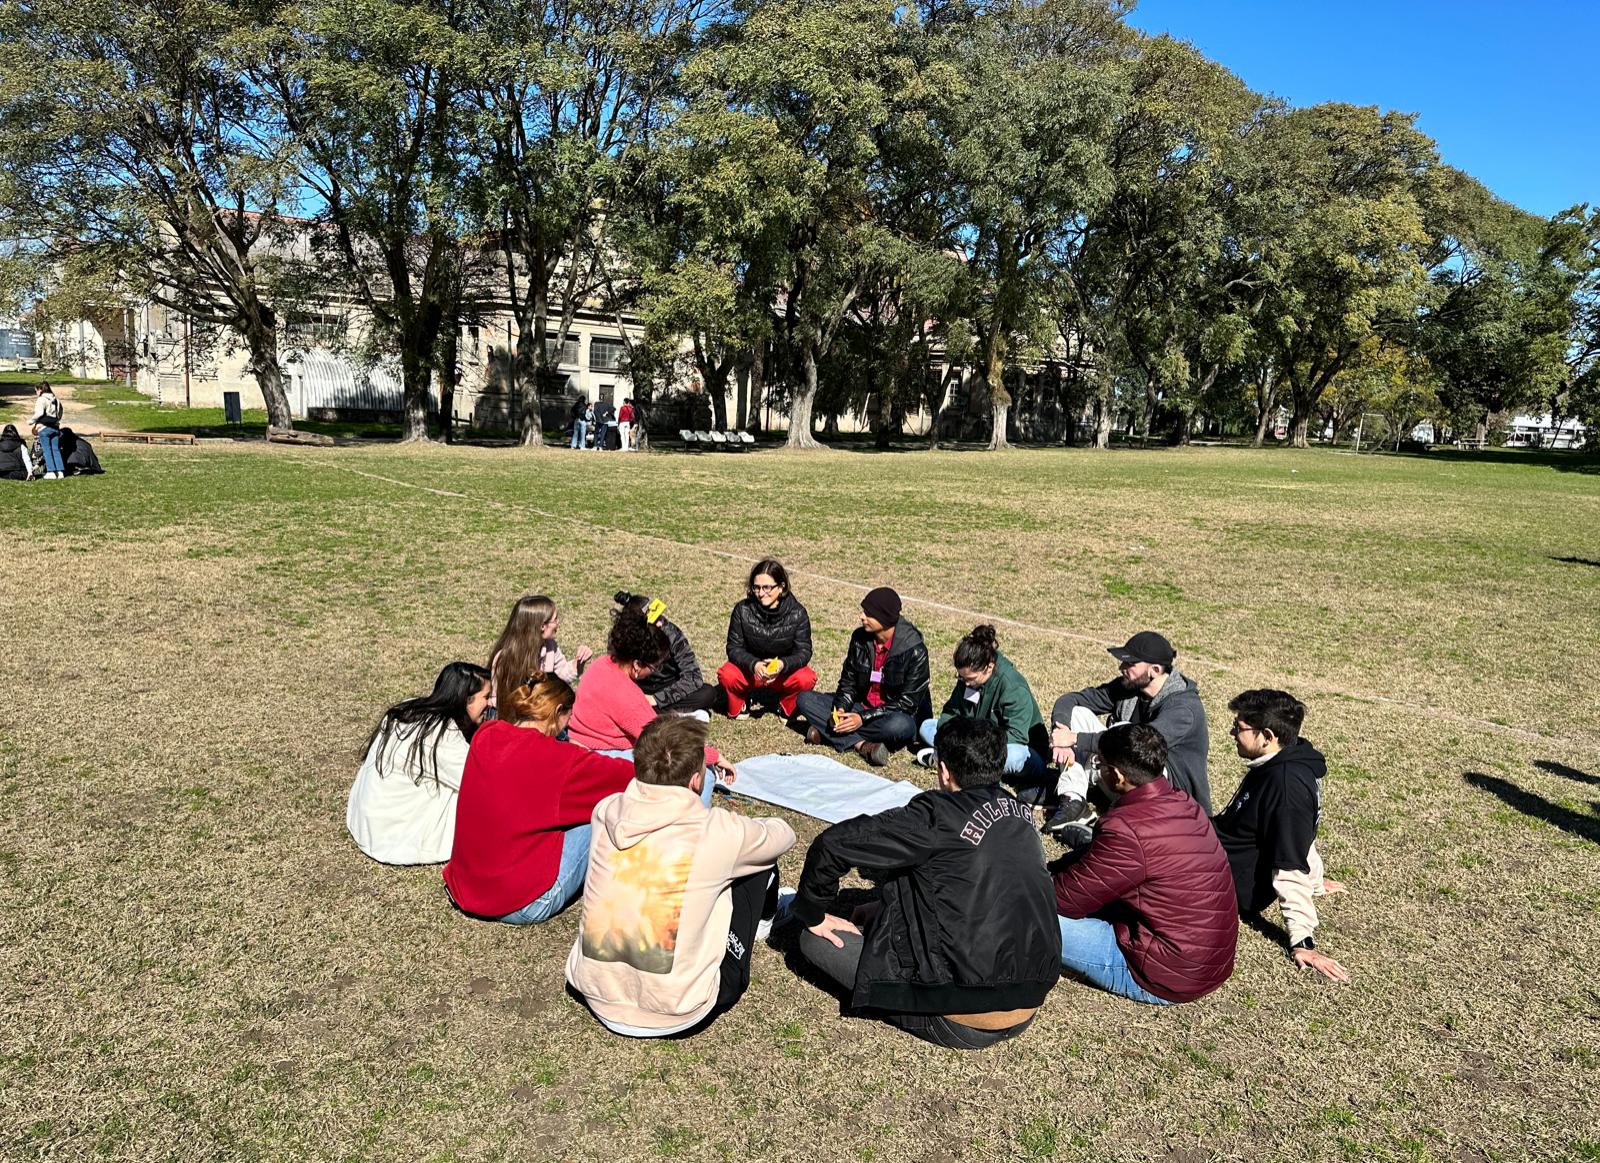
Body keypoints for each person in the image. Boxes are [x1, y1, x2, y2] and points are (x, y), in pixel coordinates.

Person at [789, 718, 1061, 1049]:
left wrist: (813, 912)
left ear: (944, 770)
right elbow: (971, 887)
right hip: (1029, 1000)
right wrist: (885, 908)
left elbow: (834, 844)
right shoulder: (1021, 813)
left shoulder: (935, 814)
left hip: (956, 1013)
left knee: (812, 941)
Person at [567, 716, 795, 1037]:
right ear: (696, 782)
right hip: (679, 1011)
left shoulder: (607, 810)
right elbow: (783, 835)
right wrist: (751, 825)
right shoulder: (716, 830)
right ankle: (763, 924)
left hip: (596, 992)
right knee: (757, 861)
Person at [1052, 724, 1238, 1004]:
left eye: (1099, 764)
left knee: (1025, 915)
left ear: (1117, 775)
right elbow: (1095, 861)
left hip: (1166, 973)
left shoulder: (1127, 829)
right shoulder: (1184, 803)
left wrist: (1029, 883)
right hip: (1206, 963)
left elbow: (1065, 900)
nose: (1098, 771)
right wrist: (1054, 868)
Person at [443, 673, 634, 923]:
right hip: (525, 903)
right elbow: (629, 776)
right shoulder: (563, 760)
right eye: (568, 717)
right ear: (558, 711)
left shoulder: (486, 734)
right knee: (604, 806)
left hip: (465, 887)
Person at [1212, 689, 1350, 982]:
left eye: (1238, 727)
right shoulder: (1284, 760)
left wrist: (1303, 942)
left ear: (1267, 736)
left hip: (1222, 880)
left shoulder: (1286, 786)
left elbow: (1289, 860)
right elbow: (1301, 837)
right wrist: (1316, 882)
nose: (1232, 733)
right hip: (1214, 849)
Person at [1045, 630, 1212, 842]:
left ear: (1154, 670)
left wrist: (1075, 739)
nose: (1121, 667)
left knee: (1126, 731)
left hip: (1168, 799)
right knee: (1077, 714)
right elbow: (1071, 700)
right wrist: (1061, 732)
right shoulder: (1130, 687)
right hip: (1124, 775)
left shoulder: (1184, 709)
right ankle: (1073, 800)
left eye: (1130, 663)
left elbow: (1137, 744)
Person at [568, 608, 737, 793]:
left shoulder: (602, 663)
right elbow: (664, 740)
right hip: (602, 758)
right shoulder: (626, 694)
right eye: (654, 667)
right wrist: (714, 756)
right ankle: (694, 811)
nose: (655, 671)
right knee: (703, 771)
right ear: (637, 665)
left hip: (580, 747)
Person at [346, 662, 491, 865]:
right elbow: (480, 782)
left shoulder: (410, 707)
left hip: (366, 822)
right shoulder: (441, 734)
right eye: (486, 697)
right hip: (394, 838)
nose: (490, 704)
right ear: (467, 700)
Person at [794, 587, 929, 766]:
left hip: (890, 716)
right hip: (859, 707)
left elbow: (907, 704)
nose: (862, 617)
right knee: (804, 699)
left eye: (869, 614)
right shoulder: (859, 638)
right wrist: (840, 709)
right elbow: (848, 682)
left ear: (885, 617)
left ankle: (827, 733)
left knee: (901, 726)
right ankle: (862, 745)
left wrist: (861, 719)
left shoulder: (915, 651)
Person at [915, 624, 1048, 784]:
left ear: (989, 667)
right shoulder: (968, 679)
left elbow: (1018, 736)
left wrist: (975, 745)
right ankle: (959, 762)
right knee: (928, 727)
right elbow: (951, 712)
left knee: (1014, 757)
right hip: (975, 742)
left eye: (970, 679)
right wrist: (951, 734)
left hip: (1017, 750)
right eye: (961, 678)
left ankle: (949, 761)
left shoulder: (1013, 687)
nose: (965, 683)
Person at [718, 559, 817, 720]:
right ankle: (741, 703)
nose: (761, 593)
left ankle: (787, 706)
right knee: (727, 674)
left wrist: (782, 664)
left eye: (767, 587)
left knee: (806, 678)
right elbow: (733, 648)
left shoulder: (798, 613)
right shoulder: (742, 610)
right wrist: (754, 664)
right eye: (756, 587)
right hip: (751, 671)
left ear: (781, 587)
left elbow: (804, 652)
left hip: (782, 673)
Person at [613, 591, 720, 714]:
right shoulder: (624, 638)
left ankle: (650, 711)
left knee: (707, 693)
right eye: (654, 620)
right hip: (638, 690)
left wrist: (657, 699)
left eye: (659, 616)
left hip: (670, 688)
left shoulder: (670, 633)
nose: (660, 623)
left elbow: (693, 677)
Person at [487, 595, 592, 713]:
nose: (558, 623)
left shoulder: (550, 647)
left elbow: (559, 678)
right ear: (542, 626)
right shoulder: (505, 658)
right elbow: (498, 701)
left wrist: (577, 664)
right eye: (555, 619)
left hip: (541, 714)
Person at [29, 381, 65, 480]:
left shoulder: (41, 399)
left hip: (44, 427)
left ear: (40, 389)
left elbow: (39, 413)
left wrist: (31, 421)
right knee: (56, 449)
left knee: (47, 450)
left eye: (36, 390)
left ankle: (51, 472)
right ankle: (60, 472)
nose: (36, 393)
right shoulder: (56, 399)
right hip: (55, 427)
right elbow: (60, 412)